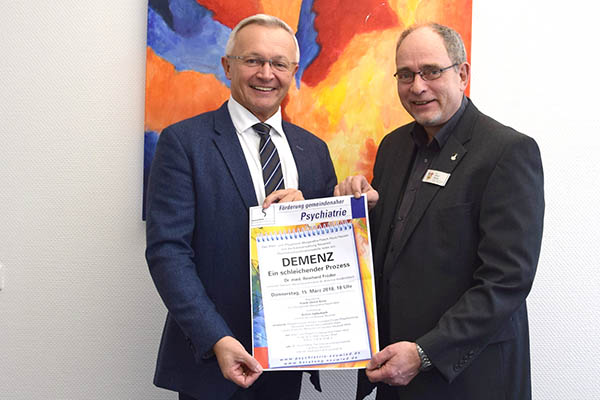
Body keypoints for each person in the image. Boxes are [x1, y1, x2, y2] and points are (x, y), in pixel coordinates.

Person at [334, 23, 544, 400]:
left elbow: (506, 280)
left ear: (462, 74)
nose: (417, 86)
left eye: (431, 71)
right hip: (395, 373)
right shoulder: (393, 147)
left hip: (469, 378)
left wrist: (425, 353)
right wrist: (358, 214)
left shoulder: (507, 152)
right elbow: (400, 253)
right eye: (406, 74)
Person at [145, 14, 336, 400]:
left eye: (279, 63)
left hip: (287, 363)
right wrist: (216, 338)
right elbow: (168, 253)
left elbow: (328, 250)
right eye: (253, 60)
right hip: (213, 365)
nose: (266, 73)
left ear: (293, 72)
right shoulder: (184, 143)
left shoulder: (314, 151)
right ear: (227, 66)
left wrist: (325, 211)